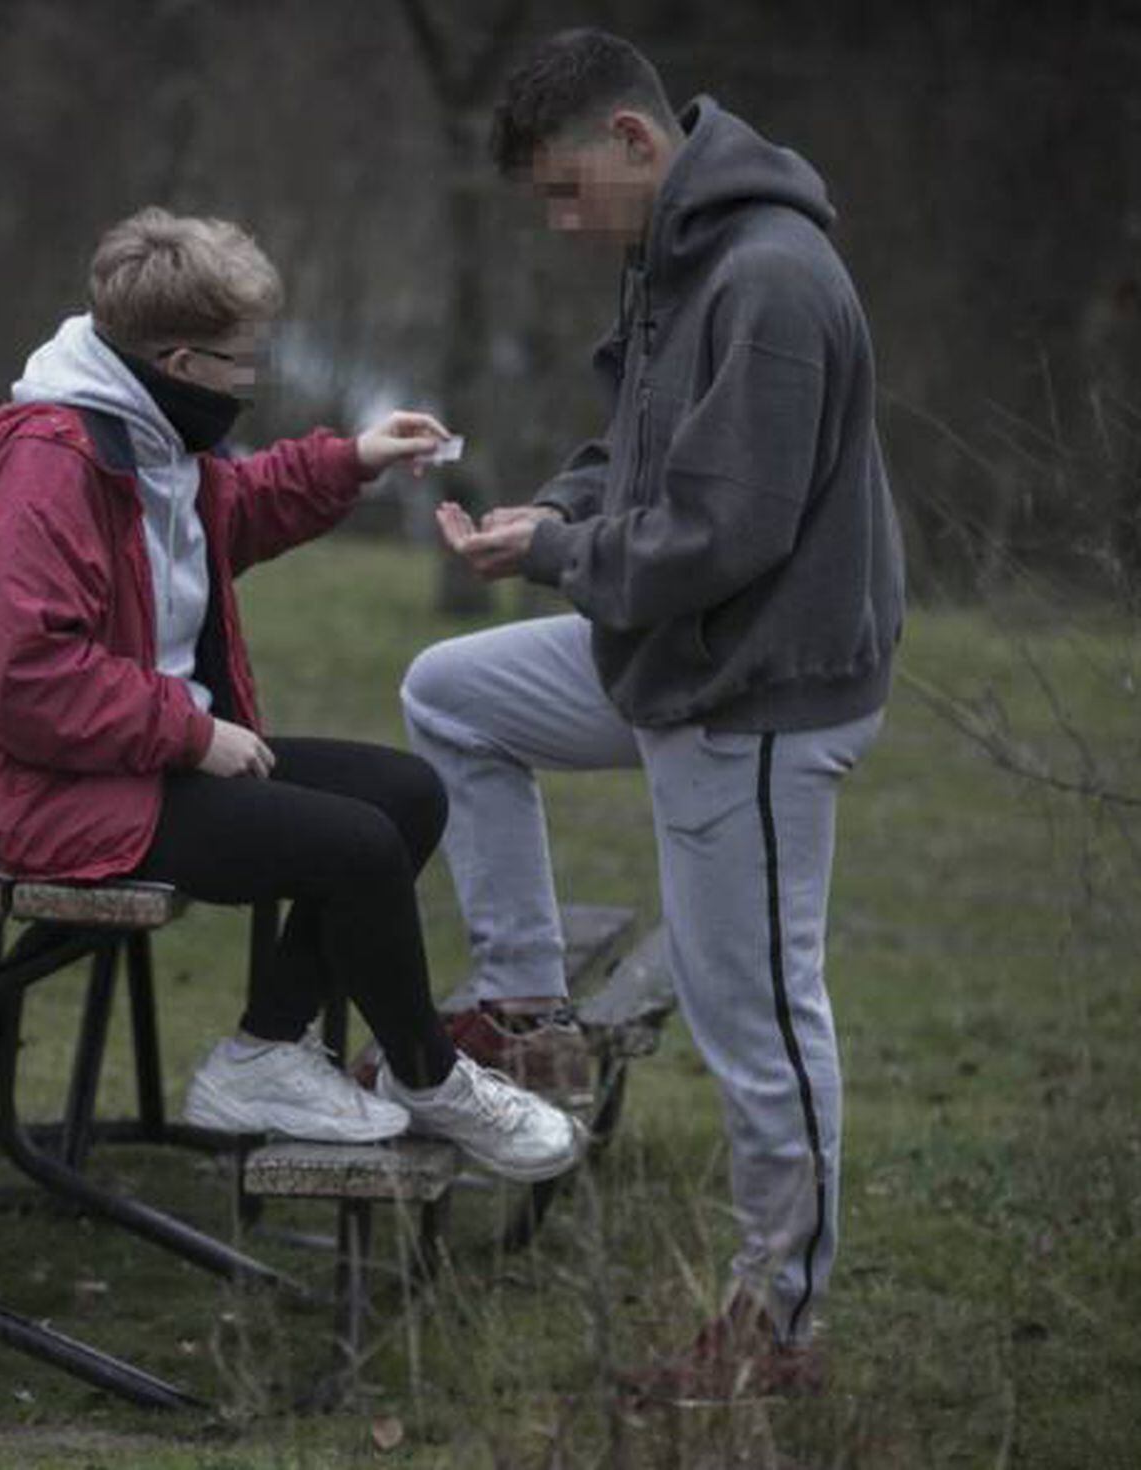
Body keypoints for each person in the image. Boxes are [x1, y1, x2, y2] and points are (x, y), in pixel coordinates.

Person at [400, 30, 904, 1398]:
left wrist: (563, 558)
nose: (564, 225)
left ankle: (779, 1327)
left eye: (569, 192)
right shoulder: (675, 256)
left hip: (758, 689)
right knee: (453, 694)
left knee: (763, 1023)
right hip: (681, 655)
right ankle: (525, 1008)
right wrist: (556, 511)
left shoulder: (772, 278)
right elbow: (633, 451)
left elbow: (723, 532)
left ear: (635, 141)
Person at [0, 206, 581, 1183]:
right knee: (351, 849)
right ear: (180, 360)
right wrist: (188, 734)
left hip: (130, 759)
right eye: (239, 362)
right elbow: (16, 675)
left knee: (402, 795)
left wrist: (350, 459)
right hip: (43, 789)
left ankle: (267, 1052)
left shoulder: (144, 435)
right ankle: (430, 1079)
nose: (250, 380)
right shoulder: (52, 467)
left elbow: (226, 516)